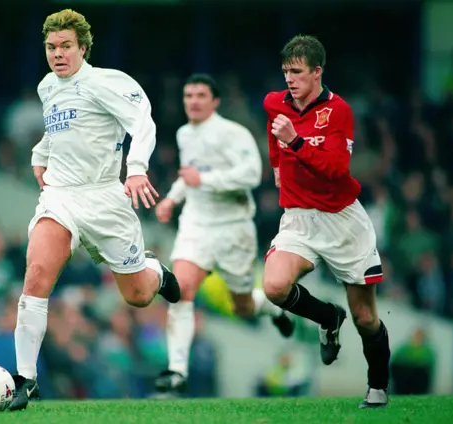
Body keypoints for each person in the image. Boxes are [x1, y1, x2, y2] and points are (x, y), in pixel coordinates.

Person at [8, 9, 180, 411]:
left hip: (105, 198)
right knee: (36, 273)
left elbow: (144, 122)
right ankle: (25, 380)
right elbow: (57, 131)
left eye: (66, 46)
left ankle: (155, 271)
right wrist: (40, 153)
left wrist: (135, 170)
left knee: (137, 295)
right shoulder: (47, 86)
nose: (58, 54)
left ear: (83, 48)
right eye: (51, 47)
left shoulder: (106, 82)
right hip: (61, 196)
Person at [262, 35, 390, 409]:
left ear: (317, 72)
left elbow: (336, 171)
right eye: (286, 71)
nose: (290, 79)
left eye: (298, 72)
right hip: (300, 220)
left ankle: (378, 386)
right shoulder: (274, 103)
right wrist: (275, 167)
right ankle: (327, 317)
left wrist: (296, 142)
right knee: (274, 286)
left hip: (342, 221)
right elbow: (275, 136)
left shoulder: (339, 112)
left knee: (365, 317)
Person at [154, 74, 295, 395]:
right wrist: (172, 199)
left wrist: (202, 180)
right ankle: (176, 370)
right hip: (196, 224)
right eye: (188, 95)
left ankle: (273, 309)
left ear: (214, 101)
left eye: (200, 95)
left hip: (233, 227)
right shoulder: (183, 134)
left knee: (242, 305)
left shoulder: (234, 134)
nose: (193, 100)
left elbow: (249, 174)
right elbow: (188, 174)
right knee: (181, 289)